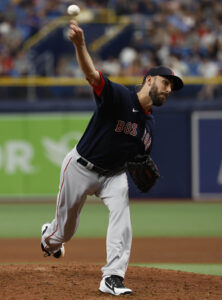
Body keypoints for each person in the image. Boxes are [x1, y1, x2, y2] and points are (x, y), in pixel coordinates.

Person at [40, 20, 184, 296]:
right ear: (150, 79)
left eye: (172, 88)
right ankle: (49, 239)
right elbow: (92, 75)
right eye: (166, 83)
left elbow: (138, 160)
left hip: (113, 175)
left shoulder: (149, 125)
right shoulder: (119, 96)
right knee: (63, 234)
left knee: (122, 216)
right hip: (81, 168)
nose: (168, 90)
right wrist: (81, 45)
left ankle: (113, 277)